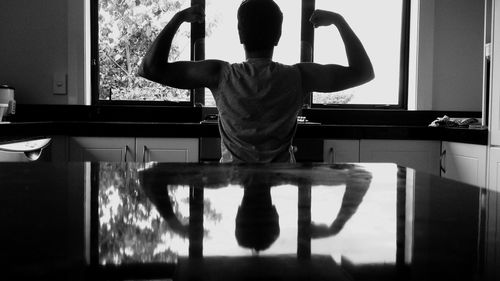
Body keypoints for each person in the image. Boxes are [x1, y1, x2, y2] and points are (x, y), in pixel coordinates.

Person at [139, 0, 374, 163]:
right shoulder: (299, 76)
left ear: (240, 34)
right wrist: (339, 21)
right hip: (280, 180)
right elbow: (363, 72)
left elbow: (150, 68)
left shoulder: (219, 74)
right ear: (278, 35)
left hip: (233, 180)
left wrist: (178, 18)